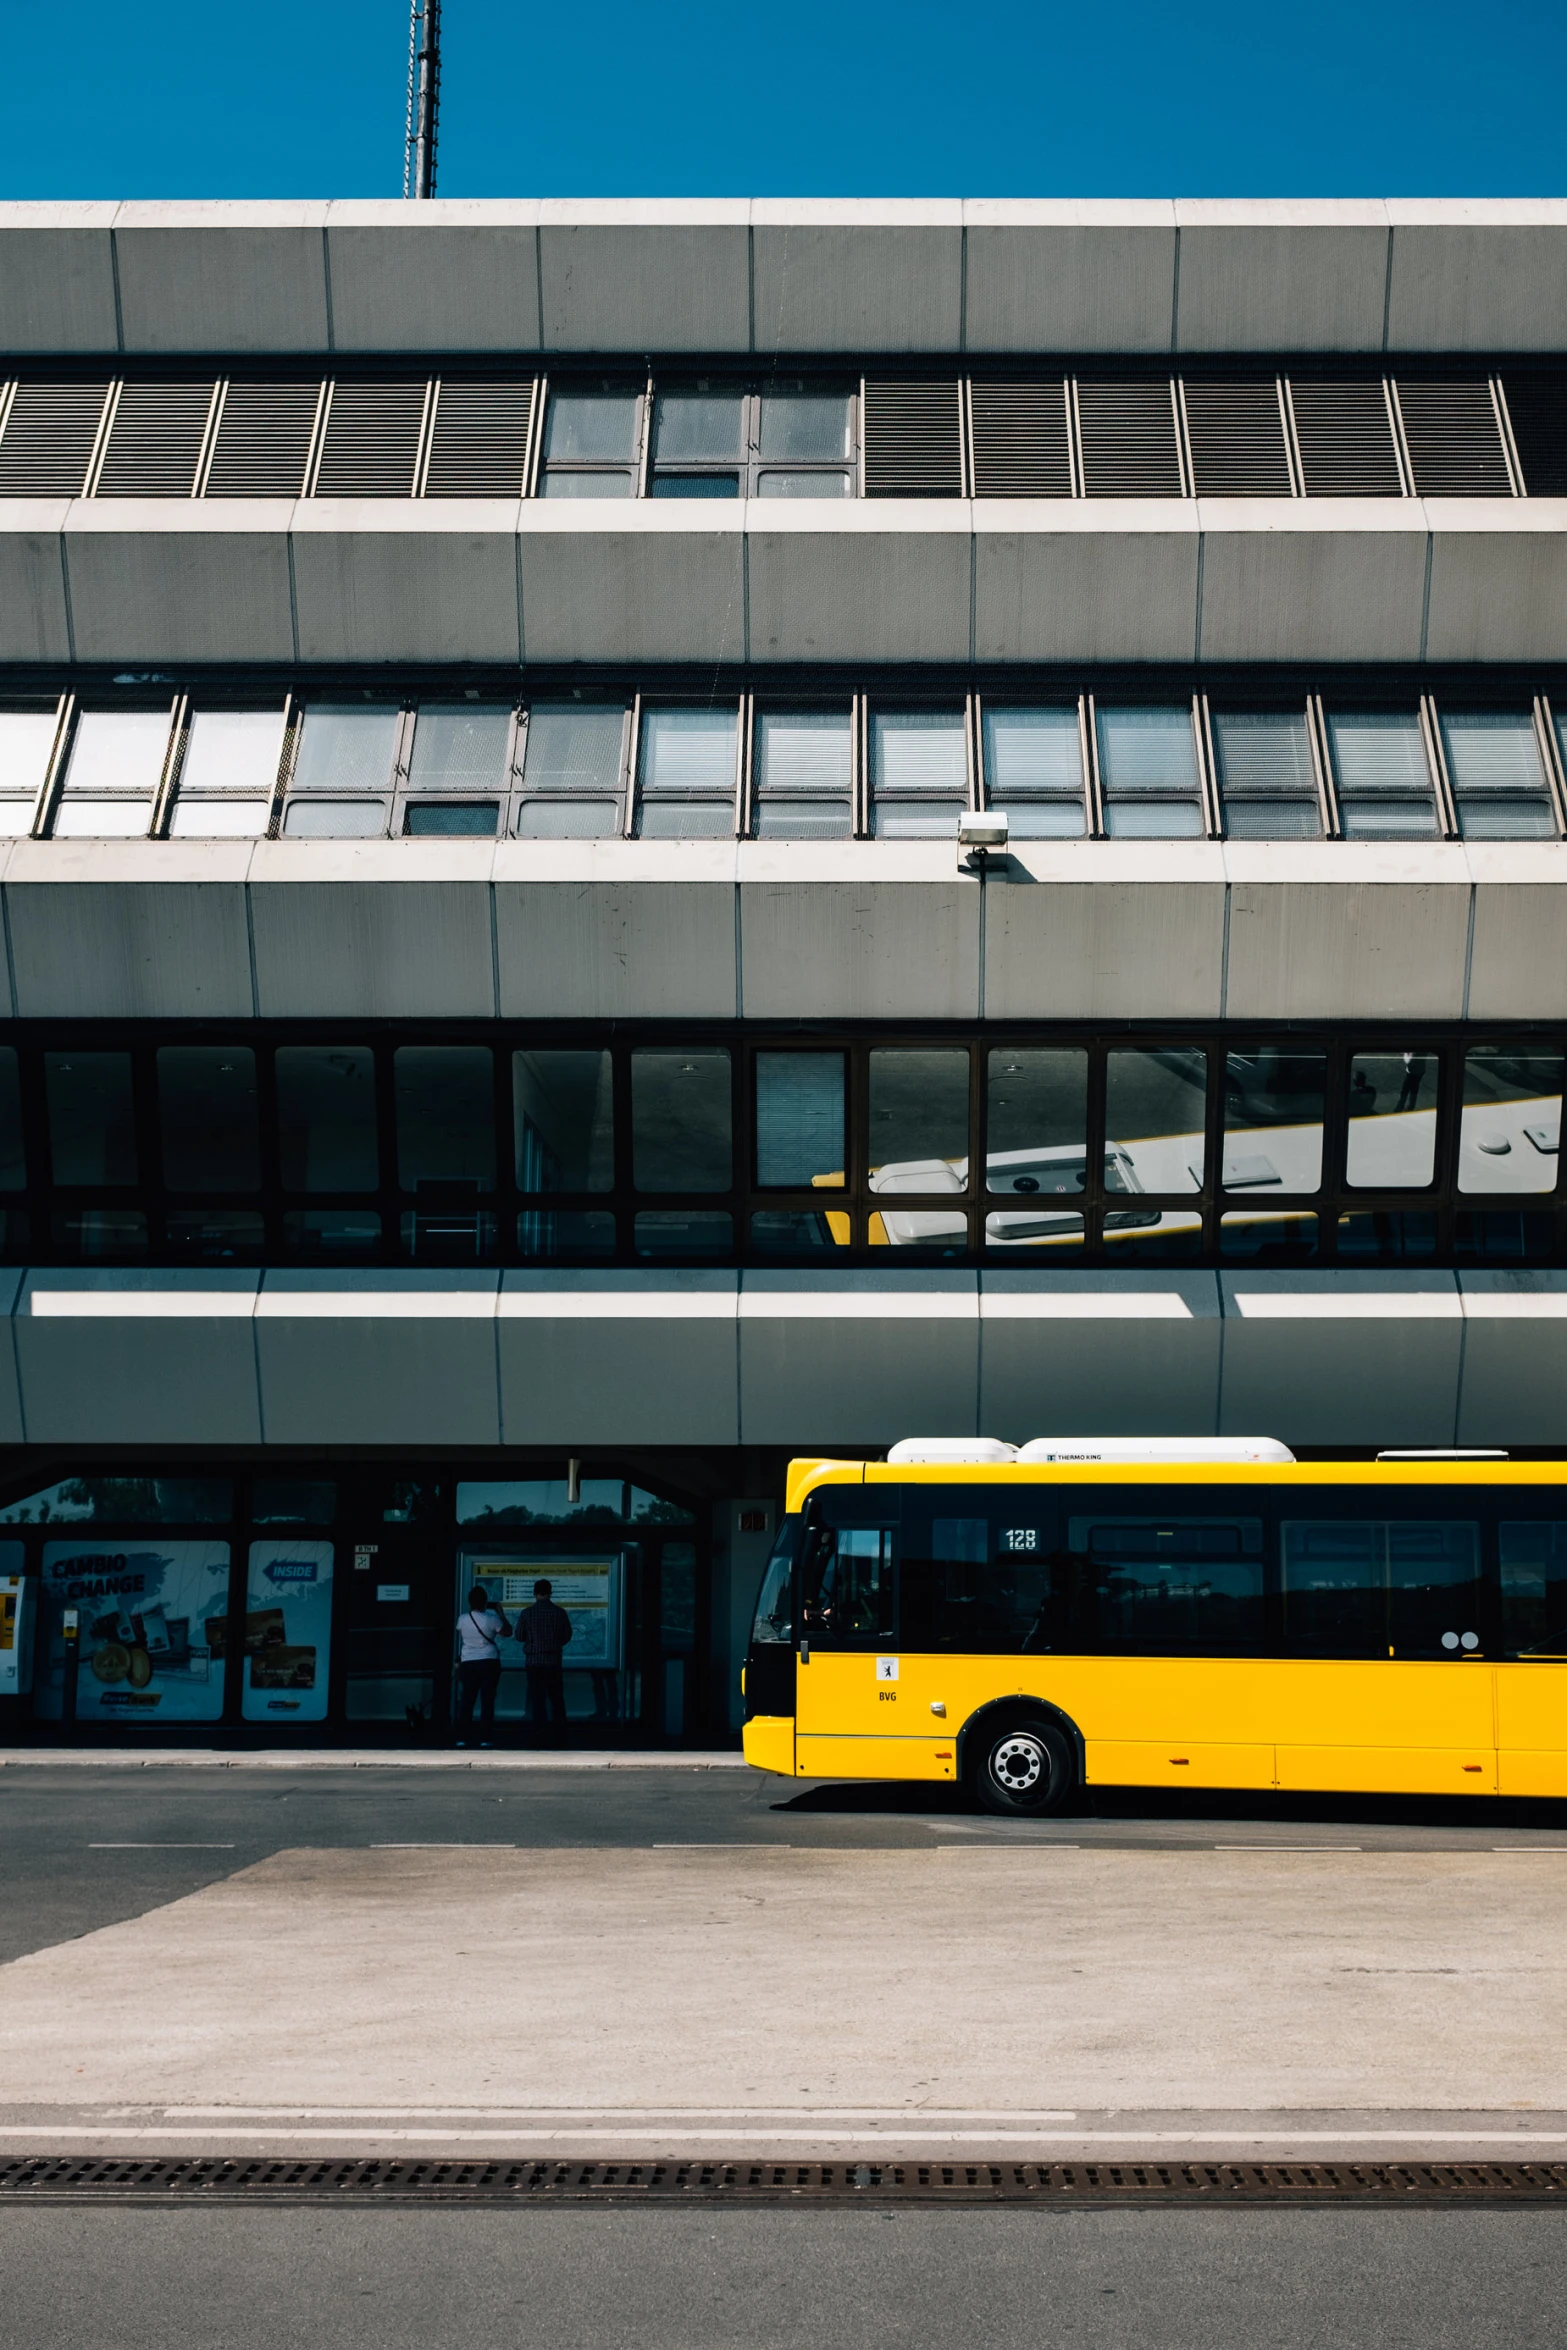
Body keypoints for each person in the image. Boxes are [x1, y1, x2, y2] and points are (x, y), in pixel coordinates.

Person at [454, 1583, 510, 1746]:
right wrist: (501, 1613)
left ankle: (462, 1738)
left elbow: (461, 1631)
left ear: (470, 1602)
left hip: (468, 1662)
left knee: (467, 1701)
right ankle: (486, 1738)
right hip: (488, 1662)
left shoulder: (462, 1619)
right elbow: (507, 1632)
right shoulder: (492, 1619)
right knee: (487, 1701)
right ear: (485, 1602)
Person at [516, 1578, 573, 1736]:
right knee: (556, 1698)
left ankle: (539, 1731)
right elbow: (567, 1635)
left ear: (534, 1594)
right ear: (550, 1593)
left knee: (537, 1698)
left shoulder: (527, 1613)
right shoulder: (559, 1612)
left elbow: (519, 1636)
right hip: (553, 1660)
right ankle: (559, 1731)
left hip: (533, 1661)